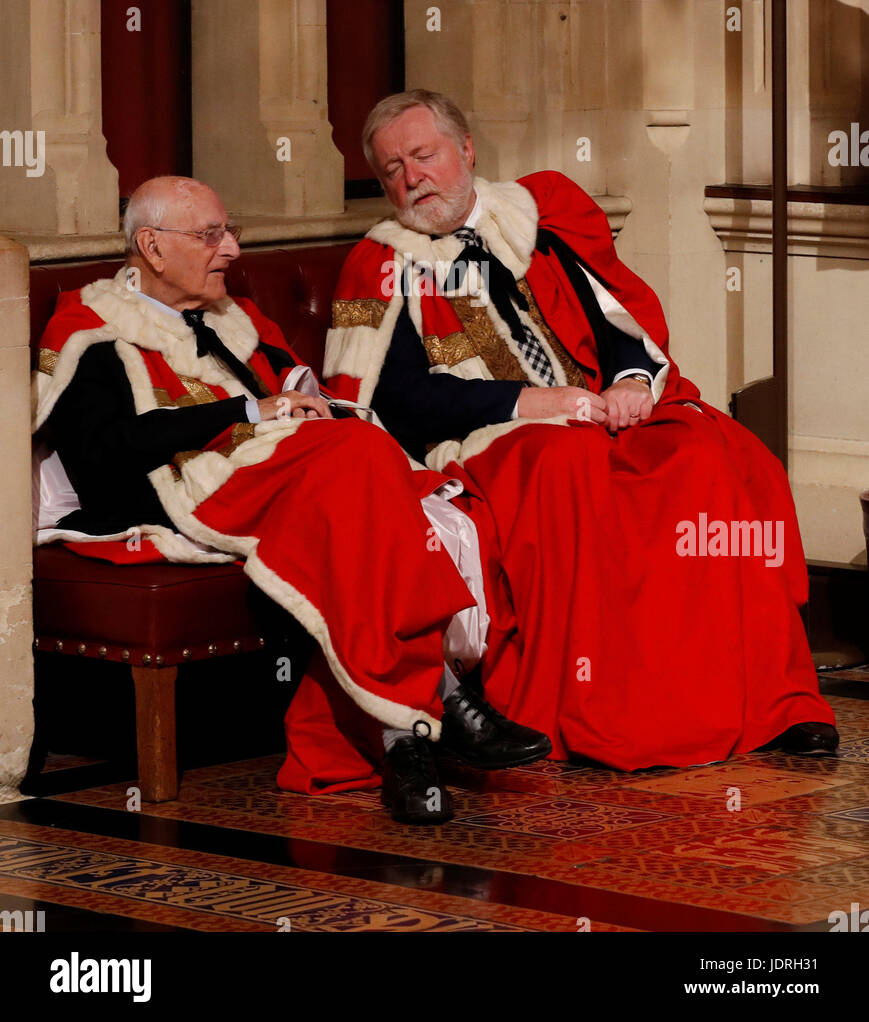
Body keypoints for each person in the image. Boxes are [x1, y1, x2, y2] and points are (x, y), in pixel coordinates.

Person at [324, 89, 838, 772]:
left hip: (596, 410)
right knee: (565, 465)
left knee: (711, 453)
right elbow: (397, 400)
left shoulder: (538, 220)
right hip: (490, 436)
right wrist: (528, 402)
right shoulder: (378, 265)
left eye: (423, 155)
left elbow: (615, 323)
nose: (410, 178)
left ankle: (770, 702)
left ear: (466, 149)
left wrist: (628, 383)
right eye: (391, 169)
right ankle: (601, 712)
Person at [32, 175, 550, 823]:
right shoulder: (91, 327)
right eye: (209, 235)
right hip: (170, 491)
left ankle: (403, 741)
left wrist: (299, 410)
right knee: (356, 462)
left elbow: (290, 395)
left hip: (279, 475)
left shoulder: (234, 318)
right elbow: (107, 453)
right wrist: (249, 410)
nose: (231, 251)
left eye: (231, 232)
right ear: (151, 246)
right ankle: (445, 702)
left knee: (357, 474)